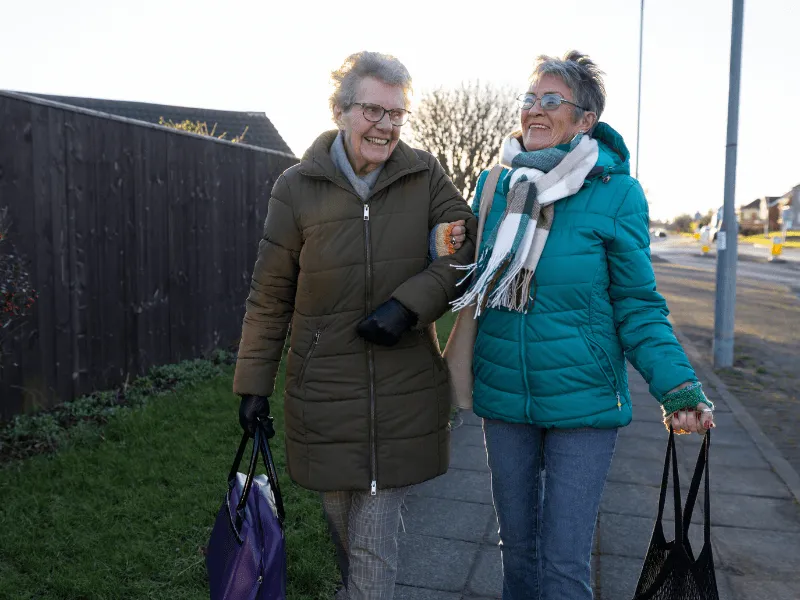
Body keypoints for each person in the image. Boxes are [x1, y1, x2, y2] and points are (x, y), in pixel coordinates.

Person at [453, 51, 716, 599]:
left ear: (585, 120)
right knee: (516, 554)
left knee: (565, 562)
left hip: (583, 402)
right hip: (504, 395)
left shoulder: (616, 193)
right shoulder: (496, 185)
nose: (535, 110)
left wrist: (677, 387)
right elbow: (472, 266)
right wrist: (444, 240)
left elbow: (639, 304)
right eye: (529, 99)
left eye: (552, 100)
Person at [232, 51, 476, 600]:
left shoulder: (425, 176)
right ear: (341, 110)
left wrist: (409, 306)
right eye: (373, 111)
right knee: (351, 545)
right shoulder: (295, 189)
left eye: (397, 114)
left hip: (404, 393)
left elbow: (463, 252)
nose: (386, 126)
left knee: (371, 557)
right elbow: (270, 295)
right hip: (324, 396)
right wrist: (253, 386)